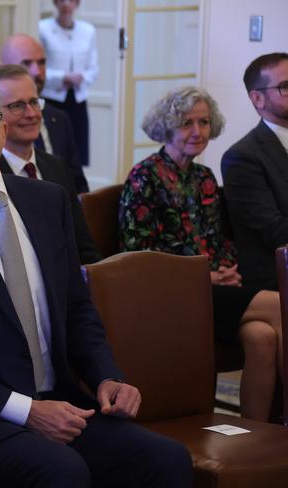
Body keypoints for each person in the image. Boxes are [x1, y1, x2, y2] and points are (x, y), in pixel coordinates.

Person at [0, 76, 193, 487]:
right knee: (62, 471)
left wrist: (106, 376)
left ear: (3, 129)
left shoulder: (47, 201)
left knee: (166, 459)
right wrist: (24, 410)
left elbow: (76, 309)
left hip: (57, 401)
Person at [120, 86, 284, 422]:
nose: (197, 132)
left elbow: (218, 240)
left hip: (215, 289)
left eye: (204, 122)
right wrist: (205, 276)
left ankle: (258, 434)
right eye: (186, 123)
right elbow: (138, 255)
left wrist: (228, 267)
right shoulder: (144, 177)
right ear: (166, 126)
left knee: (263, 337)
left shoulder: (204, 178)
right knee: (282, 305)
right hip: (169, 295)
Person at [0, 64, 100, 264]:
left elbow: (82, 247)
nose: (32, 113)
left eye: (34, 102)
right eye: (17, 106)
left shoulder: (55, 166)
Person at [222, 52, 288, 291]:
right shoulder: (243, 157)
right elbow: (275, 232)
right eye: (285, 86)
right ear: (257, 98)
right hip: (275, 275)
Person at [0, 33, 89, 193]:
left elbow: (78, 188)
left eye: (41, 63)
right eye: (26, 64)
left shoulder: (59, 119)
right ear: (4, 68)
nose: (37, 72)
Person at [39, 0, 98, 169]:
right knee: (53, 151)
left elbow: (93, 69)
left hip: (77, 100)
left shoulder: (88, 31)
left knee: (77, 154)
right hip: (52, 97)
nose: (66, 4)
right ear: (55, 3)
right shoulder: (42, 28)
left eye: (71, 0)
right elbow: (38, 68)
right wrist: (62, 77)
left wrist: (81, 78)